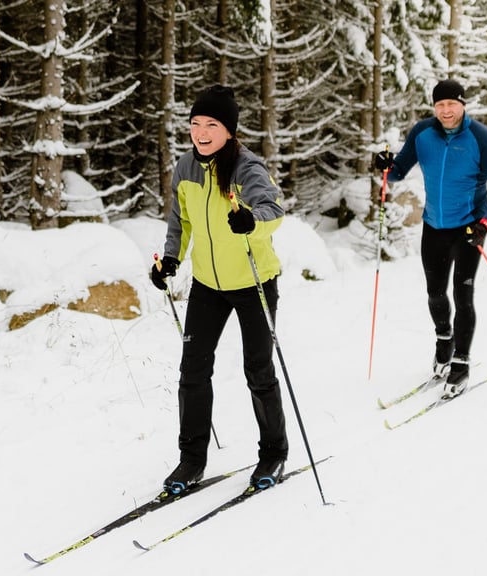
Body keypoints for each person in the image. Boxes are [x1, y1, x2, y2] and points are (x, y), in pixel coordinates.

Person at [150, 84, 288, 493]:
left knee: (258, 371)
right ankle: (191, 461)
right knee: (192, 371)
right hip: (208, 285)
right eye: (195, 124)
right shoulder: (185, 168)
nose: (202, 132)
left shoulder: (246, 168)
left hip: (253, 281)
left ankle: (274, 454)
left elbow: (273, 210)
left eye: (212, 124)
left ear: (228, 130)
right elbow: (181, 220)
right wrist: (171, 259)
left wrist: (251, 220)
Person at [373, 79, 487, 399]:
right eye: (440, 105)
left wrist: (485, 224)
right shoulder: (423, 133)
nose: (446, 110)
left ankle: (461, 362)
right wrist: (384, 165)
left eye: (452, 104)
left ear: (463, 105)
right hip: (433, 227)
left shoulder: (482, 138)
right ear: (434, 107)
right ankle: (443, 341)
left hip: (468, 228)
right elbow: (397, 172)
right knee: (435, 293)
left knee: (463, 295)